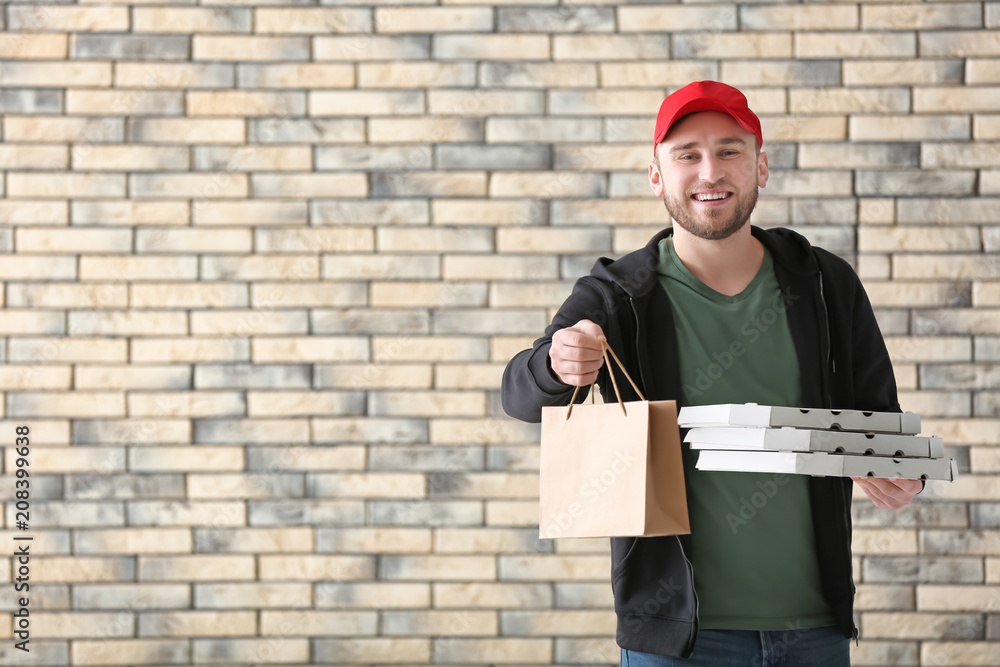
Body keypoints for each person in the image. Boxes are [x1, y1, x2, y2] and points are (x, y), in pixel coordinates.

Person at [500, 81, 922, 666]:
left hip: (815, 631)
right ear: (657, 176)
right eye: (687, 155)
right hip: (678, 639)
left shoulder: (825, 282)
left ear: (761, 166)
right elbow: (519, 392)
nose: (709, 172)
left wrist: (902, 474)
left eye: (729, 151)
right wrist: (555, 363)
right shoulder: (619, 294)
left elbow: (881, 421)